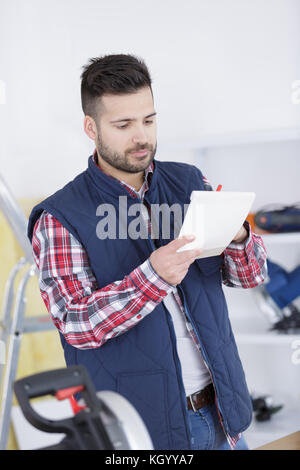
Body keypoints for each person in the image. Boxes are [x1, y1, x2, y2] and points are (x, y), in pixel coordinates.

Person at [27, 54, 267, 451]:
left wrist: (239, 235)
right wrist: (152, 277)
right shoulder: (60, 217)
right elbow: (75, 325)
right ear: (91, 127)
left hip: (225, 417)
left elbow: (250, 277)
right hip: (143, 433)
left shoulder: (189, 181)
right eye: (123, 125)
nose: (141, 136)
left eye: (149, 120)